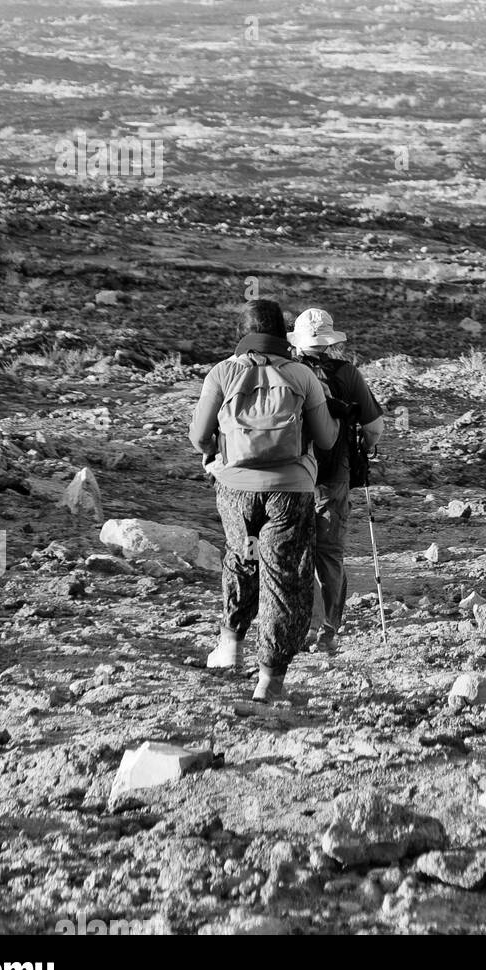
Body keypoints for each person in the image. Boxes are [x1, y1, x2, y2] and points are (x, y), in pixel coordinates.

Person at [188, 300, 337, 703]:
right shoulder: (302, 375)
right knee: (284, 578)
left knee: (242, 556)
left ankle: (230, 646)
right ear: (283, 334)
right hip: (291, 491)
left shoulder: (222, 372)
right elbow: (325, 440)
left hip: (236, 489)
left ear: (243, 332)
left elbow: (199, 436)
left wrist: (213, 456)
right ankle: (269, 680)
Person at [286, 308, 385, 654]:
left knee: (293, 549)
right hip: (334, 473)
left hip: (291, 473)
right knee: (328, 551)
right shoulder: (347, 374)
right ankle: (327, 629)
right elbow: (373, 429)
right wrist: (361, 449)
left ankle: (298, 624)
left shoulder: (284, 371)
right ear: (330, 341)